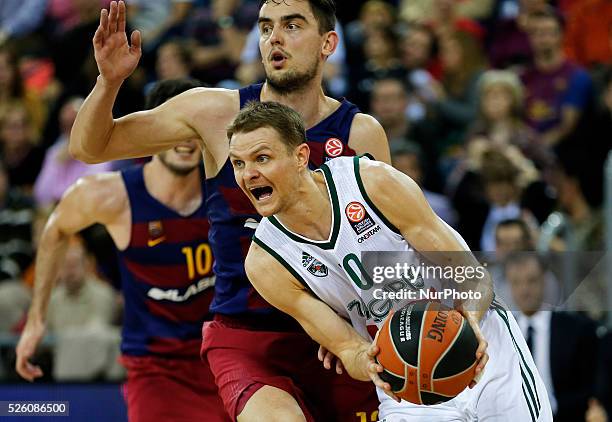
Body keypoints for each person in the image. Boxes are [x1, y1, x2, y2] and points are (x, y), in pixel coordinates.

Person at [69, 1, 388, 420]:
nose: (275, 37)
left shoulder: (361, 133)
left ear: (329, 42)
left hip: (339, 338)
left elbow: (386, 256)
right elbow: (90, 147)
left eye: (292, 26)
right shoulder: (214, 112)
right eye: (266, 27)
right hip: (248, 338)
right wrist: (108, 83)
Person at [229, 101, 553, 421]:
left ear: (300, 157)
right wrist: (369, 362)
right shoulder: (265, 263)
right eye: (238, 164)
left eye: (262, 158)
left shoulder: (371, 183)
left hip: (480, 343)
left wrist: (467, 323)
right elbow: (348, 349)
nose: (249, 174)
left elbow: (472, 276)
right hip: (405, 380)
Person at [15, 79, 230, 422]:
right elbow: (55, 229)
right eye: (178, 126)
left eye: (196, 127)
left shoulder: (229, 190)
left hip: (226, 358)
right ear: (152, 131)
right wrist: (36, 319)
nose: (187, 139)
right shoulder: (110, 195)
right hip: (156, 368)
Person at [506, 253, 599, 421]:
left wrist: (550, 406)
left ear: (545, 281)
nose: (524, 290)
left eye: (531, 281)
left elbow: (591, 387)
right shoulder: (503, 332)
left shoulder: (576, 328)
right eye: (516, 282)